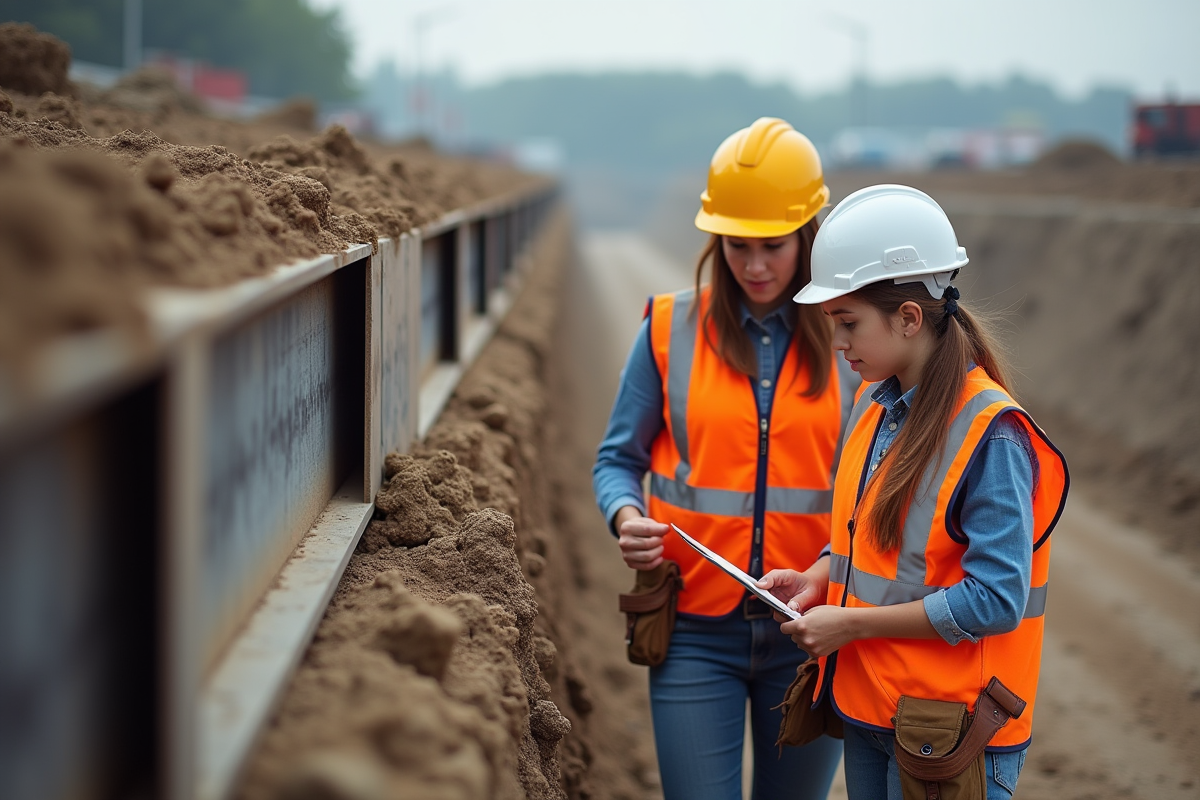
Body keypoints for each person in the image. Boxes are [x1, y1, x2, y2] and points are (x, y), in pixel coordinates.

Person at [758, 184, 1069, 799]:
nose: (838, 341)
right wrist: (820, 576)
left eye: (848, 323)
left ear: (908, 317)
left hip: (949, 730)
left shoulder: (991, 435)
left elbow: (995, 599)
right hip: (876, 711)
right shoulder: (874, 405)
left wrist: (851, 625)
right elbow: (872, 545)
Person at [593, 117, 855, 800]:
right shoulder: (666, 328)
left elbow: (881, 495)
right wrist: (624, 515)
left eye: (773, 246)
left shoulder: (853, 342)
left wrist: (829, 577)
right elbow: (616, 460)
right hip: (691, 636)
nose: (756, 265)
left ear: (808, 236)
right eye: (738, 247)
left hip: (809, 637)